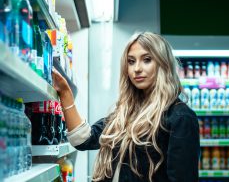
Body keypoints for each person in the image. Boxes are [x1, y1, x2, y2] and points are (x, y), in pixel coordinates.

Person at [52, 32, 200, 182]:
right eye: (131, 61)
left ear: (163, 63)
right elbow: (83, 140)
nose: (137, 68)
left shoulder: (180, 117)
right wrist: (65, 93)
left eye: (147, 60)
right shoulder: (126, 113)